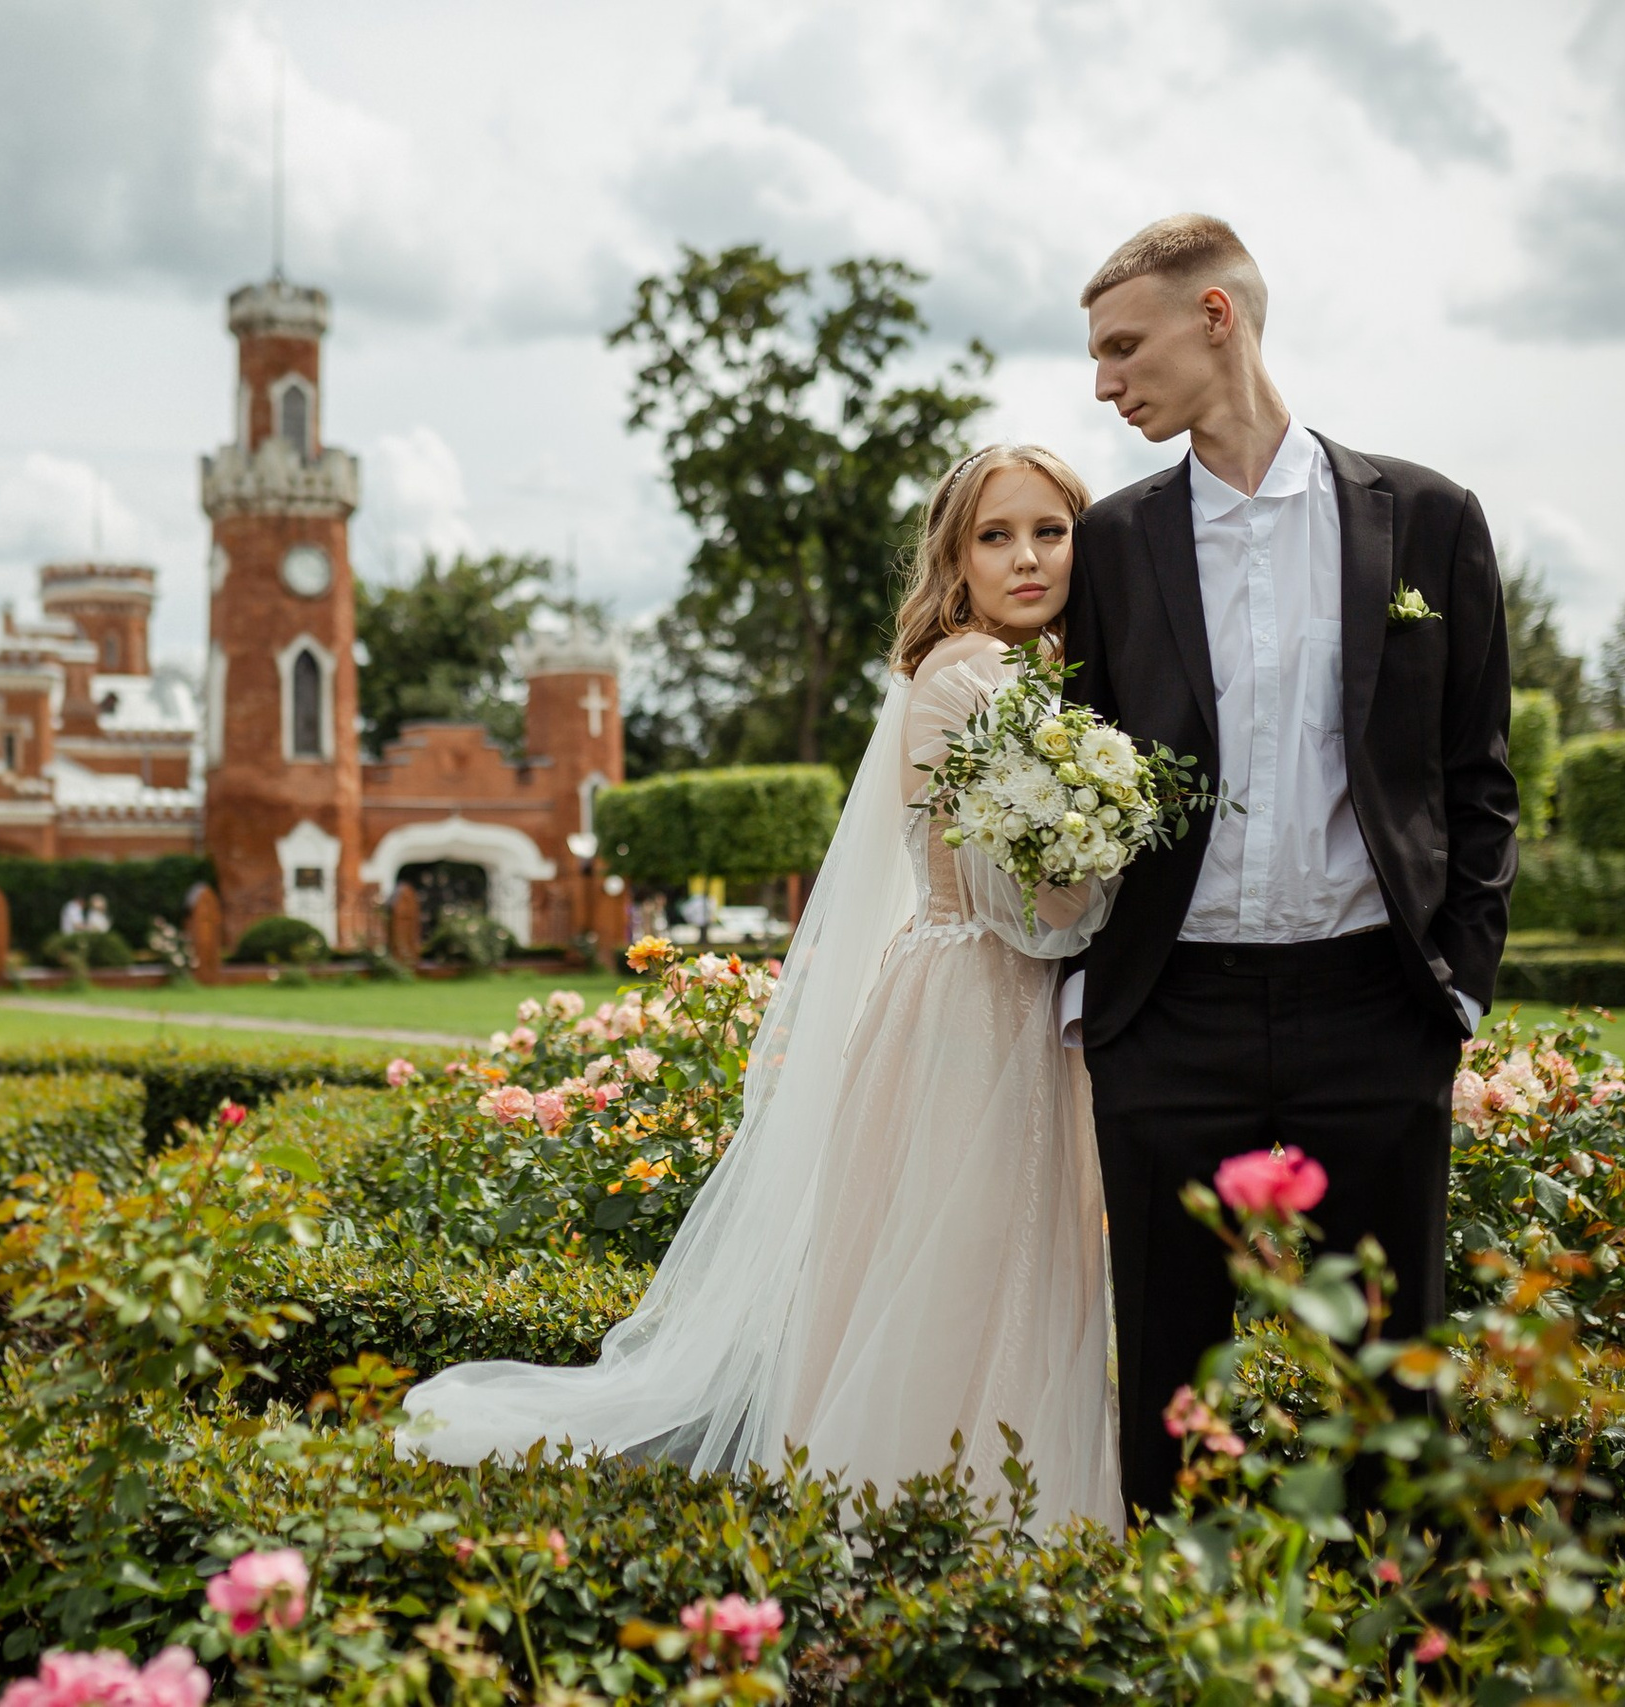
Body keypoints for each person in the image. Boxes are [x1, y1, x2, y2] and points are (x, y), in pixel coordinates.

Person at [401, 445, 1124, 1530]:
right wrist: (1110, 857)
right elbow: (1026, 906)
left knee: (1009, 1255)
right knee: (961, 1256)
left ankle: (1000, 1510)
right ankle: (939, 1507)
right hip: (972, 1003)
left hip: (1009, 1004)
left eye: (1048, 532)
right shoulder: (966, 676)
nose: (1026, 558)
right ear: (954, 559)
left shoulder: (1048, 675)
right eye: (994, 536)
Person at [1063, 214, 1517, 1515]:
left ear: (1219, 317)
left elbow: (1479, 775)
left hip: (1378, 1003)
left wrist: (1457, 984)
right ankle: (1179, 1639)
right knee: (1167, 1376)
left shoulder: (1426, 518)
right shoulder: (1110, 541)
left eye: (1121, 345)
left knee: (1392, 1371)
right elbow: (1085, 762)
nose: (1104, 382)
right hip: (1170, 1011)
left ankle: (1392, 1645)